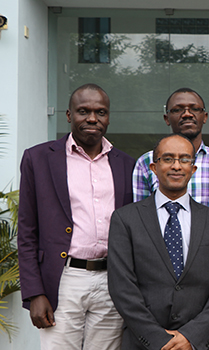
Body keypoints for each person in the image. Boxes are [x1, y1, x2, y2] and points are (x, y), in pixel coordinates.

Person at [17, 84, 135, 349]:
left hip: (111, 281)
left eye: (100, 112)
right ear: (69, 115)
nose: (92, 119)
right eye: (83, 111)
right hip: (63, 279)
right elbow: (26, 232)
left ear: (108, 117)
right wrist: (35, 292)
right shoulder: (38, 159)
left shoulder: (127, 164)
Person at [132, 87, 209, 330]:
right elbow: (139, 234)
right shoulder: (146, 164)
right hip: (157, 291)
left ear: (205, 116)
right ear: (167, 118)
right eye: (177, 110)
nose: (186, 114)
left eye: (194, 109)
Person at [108, 134, 209, 349]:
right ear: (154, 168)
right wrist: (159, 339)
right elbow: (122, 288)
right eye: (168, 159)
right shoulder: (125, 219)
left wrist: (190, 337)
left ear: (193, 169)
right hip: (144, 343)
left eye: (184, 159)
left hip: (202, 343)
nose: (176, 166)